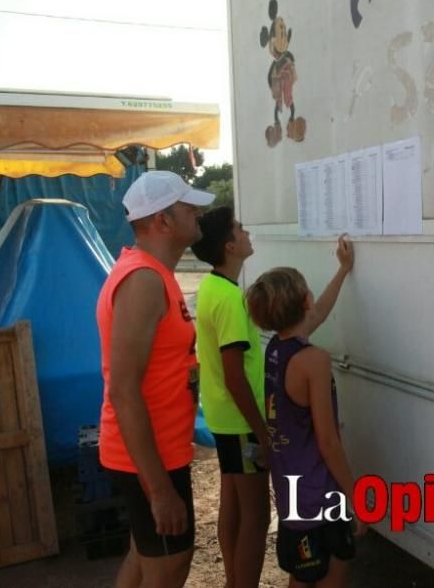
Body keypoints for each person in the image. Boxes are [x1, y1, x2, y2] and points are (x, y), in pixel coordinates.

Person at [97, 170, 213, 588]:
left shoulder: (153, 273)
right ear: (163, 220)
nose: (198, 212)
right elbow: (124, 391)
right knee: (168, 567)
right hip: (150, 459)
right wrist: (160, 490)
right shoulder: (143, 280)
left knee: (146, 558)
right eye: (188, 207)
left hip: (157, 451)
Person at [245, 237, 365, 588]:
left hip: (291, 496)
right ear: (304, 301)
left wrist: (343, 271)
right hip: (321, 497)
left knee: (302, 574)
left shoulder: (278, 350)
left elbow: (317, 315)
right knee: (332, 573)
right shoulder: (314, 361)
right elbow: (327, 441)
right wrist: (356, 497)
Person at [189, 207, 269, 588]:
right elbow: (235, 375)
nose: (247, 231)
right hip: (241, 422)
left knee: (233, 505)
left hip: (223, 417)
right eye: (240, 227)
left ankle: (233, 580)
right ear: (229, 245)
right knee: (257, 514)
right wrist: (263, 434)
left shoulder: (212, 287)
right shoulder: (231, 301)